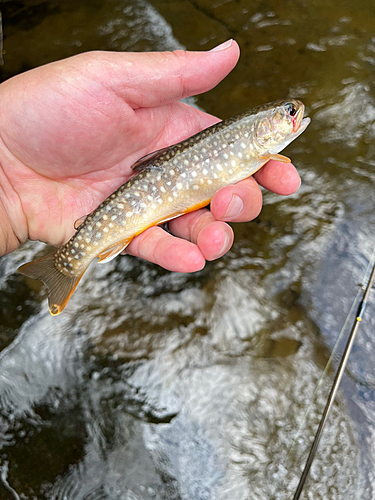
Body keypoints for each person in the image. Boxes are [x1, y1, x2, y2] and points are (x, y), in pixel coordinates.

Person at [0, 40, 300, 272]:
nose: (294, 114)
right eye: (288, 112)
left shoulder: (260, 151)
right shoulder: (259, 151)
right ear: (261, 126)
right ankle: (66, 264)